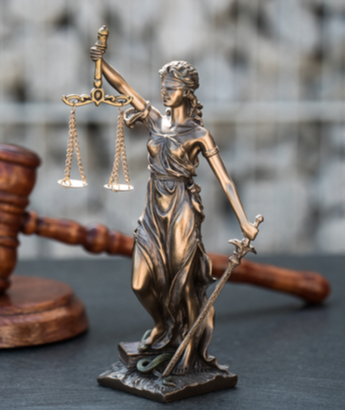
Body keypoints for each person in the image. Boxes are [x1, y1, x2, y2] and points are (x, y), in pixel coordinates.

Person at [91, 47, 258, 375]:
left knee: (180, 284)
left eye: (171, 88)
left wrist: (244, 223)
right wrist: (99, 62)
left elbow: (225, 181)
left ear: (187, 91)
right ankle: (161, 325)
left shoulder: (199, 134)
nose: (164, 93)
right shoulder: (154, 118)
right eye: (163, 88)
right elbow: (123, 86)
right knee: (141, 283)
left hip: (181, 209)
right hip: (153, 209)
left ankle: (188, 347)